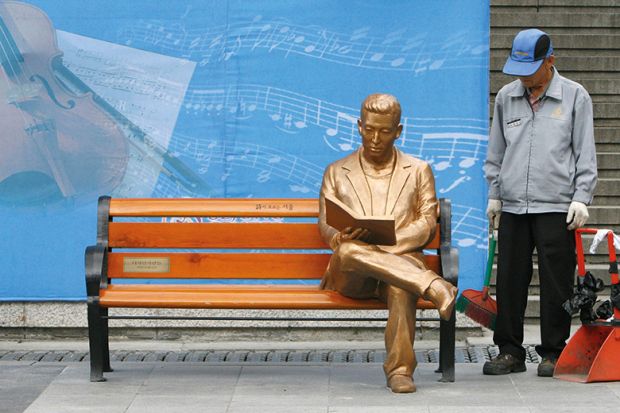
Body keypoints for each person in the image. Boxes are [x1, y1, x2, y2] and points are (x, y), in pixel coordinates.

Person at [318, 93, 458, 393]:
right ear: (358, 126)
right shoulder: (336, 171)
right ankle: (433, 286)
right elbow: (326, 225)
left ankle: (400, 371)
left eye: (384, 130)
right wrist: (339, 237)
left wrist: (383, 246)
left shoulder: (418, 170)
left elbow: (424, 225)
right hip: (353, 274)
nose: (375, 138)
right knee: (348, 251)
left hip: (400, 265)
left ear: (398, 131)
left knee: (400, 284)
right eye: (369, 129)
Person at [483, 29, 598, 377]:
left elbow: (585, 153)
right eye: (518, 69)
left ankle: (552, 352)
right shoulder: (506, 97)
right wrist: (495, 193)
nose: (524, 77)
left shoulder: (575, 97)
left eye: (531, 69)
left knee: (556, 282)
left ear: (550, 61)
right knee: (510, 280)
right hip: (514, 204)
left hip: (556, 206)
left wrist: (581, 197)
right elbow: (497, 151)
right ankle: (509, 352)